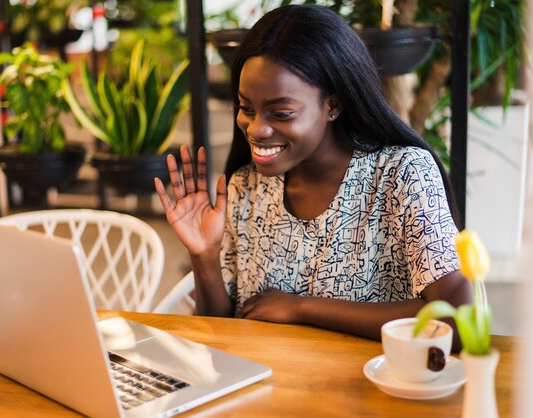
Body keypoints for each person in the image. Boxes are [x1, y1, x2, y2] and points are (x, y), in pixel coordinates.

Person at [154, 4, 472, 343]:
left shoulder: (401, 174)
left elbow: (455, 319)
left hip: (369, 388)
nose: (256, 129)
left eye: (280, 113)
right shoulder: (247, 186)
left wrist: (301, 308)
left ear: (332, 106)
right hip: (270, 385)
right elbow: (221, 329)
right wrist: (204, 254)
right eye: (247, 108)